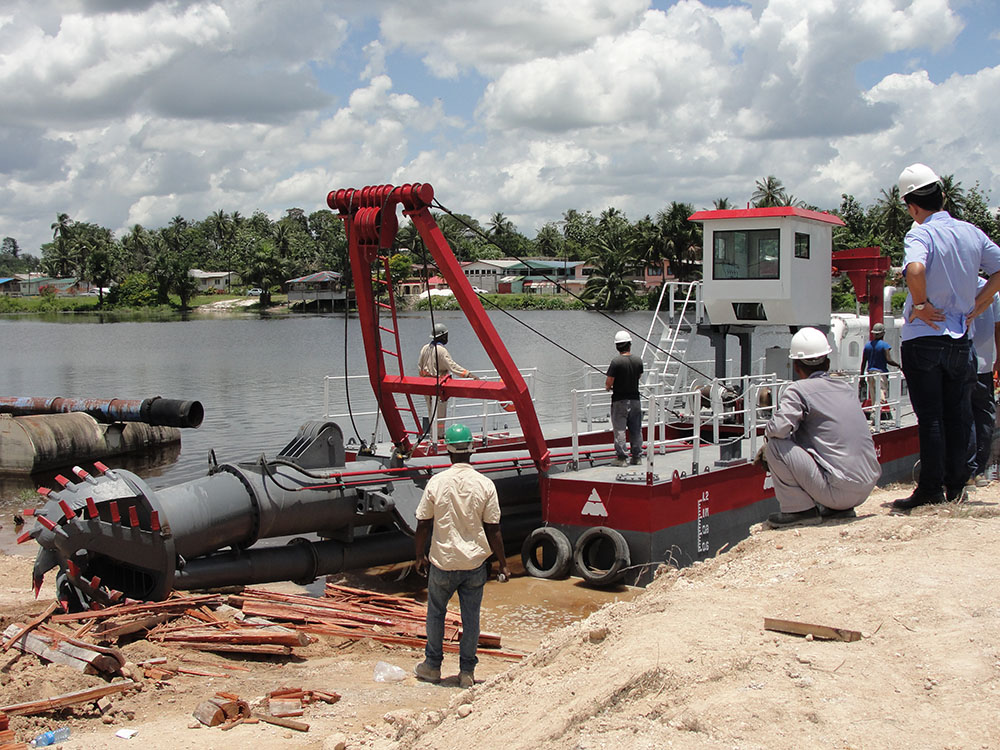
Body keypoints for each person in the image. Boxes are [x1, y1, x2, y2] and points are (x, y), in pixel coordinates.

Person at [892, 163, 1000, 510]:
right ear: (942, 195)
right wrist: (980, 304)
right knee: (958, 413)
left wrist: (921, 303)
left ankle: (929, 489)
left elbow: (916, 269)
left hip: (925, 336)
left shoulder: (920, 232)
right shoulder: (971, 233)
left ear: (912, 205)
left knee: (931, 417)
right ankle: (956, 487)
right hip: (961, 337)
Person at [413, 423, 510, 689]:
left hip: (442, 562)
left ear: (448, 451)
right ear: (472, 449)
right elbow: (494, 529)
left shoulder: (437, 482)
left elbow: (423, 522)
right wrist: (502, 563)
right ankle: (467, 673)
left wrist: (419, 556)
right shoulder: (485, 485)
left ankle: (432, 666)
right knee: (471, 618)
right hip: (474, 564)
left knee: (435, 614)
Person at [760, 327, 881, 529]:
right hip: (865, 487)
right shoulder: (846, 387)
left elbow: (779, 429)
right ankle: (838, 510)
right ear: (828, 362)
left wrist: (768, 439)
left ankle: (799, 510)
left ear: (796, 366)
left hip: (838, 490)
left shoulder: (797, 390)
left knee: (774, 445)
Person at [418, 322, 477, 437]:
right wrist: (468, 375)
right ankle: (439, 435)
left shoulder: (425, 348)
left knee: (431, 411)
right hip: (439, 386)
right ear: (443, 336)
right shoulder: (441, 350)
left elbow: (419, 366)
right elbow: (452, 366)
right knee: (440, 413)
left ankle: (432, 434)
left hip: (426, 385)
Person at [968, 276, 1000, 486]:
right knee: (983, 416)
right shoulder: (993, 291)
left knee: (961, 415)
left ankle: (964, 469)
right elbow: (998, 327)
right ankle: (977, 470)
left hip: (959, 361)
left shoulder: (954, 283)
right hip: (984, 363)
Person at [605, 330, 644, 466]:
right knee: (636, 429)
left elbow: (609, 382)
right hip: (635, 400)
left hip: (619, 401)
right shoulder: (638, 360)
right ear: (629, 344)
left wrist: (608, 387)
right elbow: (638, 376)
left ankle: (622, 458)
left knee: (620, 429)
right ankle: (637, 457)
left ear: (617, 346)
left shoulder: (616, 362)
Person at [859, 322, 900, 404]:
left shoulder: (867, 346)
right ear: (883, 333)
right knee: (881, 391)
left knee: (873, 396)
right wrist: (898, 365)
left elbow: (863, 363)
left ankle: (874, 414)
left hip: (870, 373)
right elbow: (889, 360)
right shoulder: (885, 345)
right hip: (881, 373)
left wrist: (862, 378)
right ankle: (882, 401)